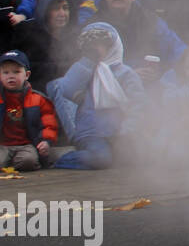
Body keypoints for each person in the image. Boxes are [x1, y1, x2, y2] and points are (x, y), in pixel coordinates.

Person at [47, 24, 144, 169]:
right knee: (102, 159)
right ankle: (63, 158)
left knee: (137, 158)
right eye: (92, 46)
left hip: (120, 132)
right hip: (91, 132)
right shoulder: (83, 68)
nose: (97, 49)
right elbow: (67, 89)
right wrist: (87, 63)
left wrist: (126, 132)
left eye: (102, 44)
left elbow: (138, 105)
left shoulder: (125, 73)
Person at [95, 0, 185, 84]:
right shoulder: (94, 26)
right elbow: (89, 69)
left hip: (151, 88)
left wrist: (163, 72)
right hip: (109, 90)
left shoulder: (151, 21)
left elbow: (178, 51)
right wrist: (128, 74)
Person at [0, 49, 58, 172]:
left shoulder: (38, 99)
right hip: (3, 145)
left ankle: (14, 163)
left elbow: (49, 124)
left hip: (26, 145)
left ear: (26, 75)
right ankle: (9, 163)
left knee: (28, 161)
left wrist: (46, 141)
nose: (11, 76)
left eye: (16, 72)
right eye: (5, 72)